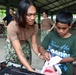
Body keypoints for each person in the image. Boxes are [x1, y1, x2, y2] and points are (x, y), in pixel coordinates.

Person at [5, 0, 43, 72]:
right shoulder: (12, 26)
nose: (33, 18)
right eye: (29, 15)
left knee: (26, 68)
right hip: (12, 48)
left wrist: (39, 54)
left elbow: (34, 43)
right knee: (14, 69)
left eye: (34, 14)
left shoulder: (35, 26)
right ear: (21, 14)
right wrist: (31, 70)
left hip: (25, 45)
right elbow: (19, 51)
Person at [38, 9, 76, 75]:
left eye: (64, 28)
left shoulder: (74, 39)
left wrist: (59, 61)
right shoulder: (51, 35)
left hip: (66, 72)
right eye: (58, 28)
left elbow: (73, 57)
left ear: (70, 26)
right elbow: (41, 47)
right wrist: (44, 53)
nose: (60, 31)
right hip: (50, 70)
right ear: (55, 25)